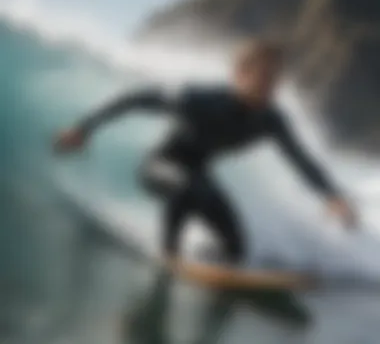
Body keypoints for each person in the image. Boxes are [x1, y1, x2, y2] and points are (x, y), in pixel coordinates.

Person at [54, 38, 358, 267]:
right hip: (159, 167)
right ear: (240, 73)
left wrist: (333, 196)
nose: (272, 87)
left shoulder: (271, 119)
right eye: (265, 78)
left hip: (198, 177)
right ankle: (169, 252)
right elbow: (136, 99)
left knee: (237, 249)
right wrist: (83, 129)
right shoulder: (200, 99)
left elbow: (301, 160)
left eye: (276, 80)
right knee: (190, 186)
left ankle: (200, 259)